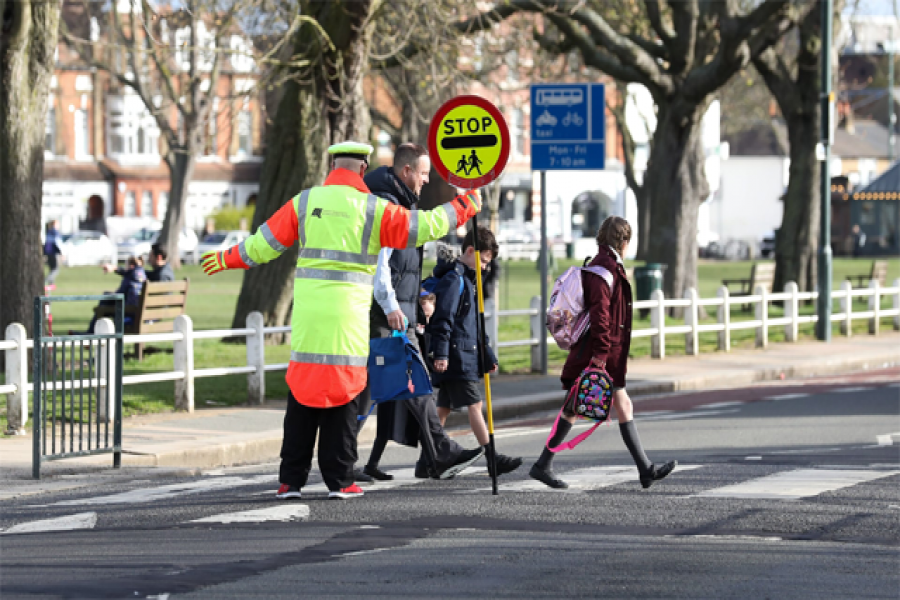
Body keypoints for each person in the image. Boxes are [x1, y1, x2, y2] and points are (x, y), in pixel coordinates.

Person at [200, 141, 482, 500]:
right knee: (344, 396)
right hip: (347, 320)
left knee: (302, 395)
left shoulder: (305, 202)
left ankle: (290, 481)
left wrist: (227, 258)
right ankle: (340, 479)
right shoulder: (373, 209)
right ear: (363, 169)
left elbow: (264, 244)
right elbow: (422, 226)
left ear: (331, 164)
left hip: (308, 319)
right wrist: (464, 206)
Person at [355, 143, 483, 484]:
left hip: (398, 311)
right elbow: (379, 263)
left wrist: (418, 299)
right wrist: (393, 306)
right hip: (388, 314)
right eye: (424, 173)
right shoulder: (386, 204)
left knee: (394, 386)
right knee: (400, 384)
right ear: (407, 171)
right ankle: (437, 454)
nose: (427, 181)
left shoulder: (400, 202)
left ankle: (432, 454)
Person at [529, 216, 677, 490]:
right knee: (575, 407)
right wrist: (601, 354)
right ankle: (543, 464)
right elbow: (601, 317)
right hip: (597, 352)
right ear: (623, 242)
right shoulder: (603, 270)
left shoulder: (605, 266)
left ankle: (644, 469)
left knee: (606, 406)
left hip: (602, 352)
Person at [429, 226, 523, 478]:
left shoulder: (469, 280)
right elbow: (443, 319)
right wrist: (441, 353)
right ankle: (493, 458)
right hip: (457, 356)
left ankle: (427, 459)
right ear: (470, 251)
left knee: (444, 408)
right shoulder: (455, 280)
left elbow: (476, 325)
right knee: (475, 404)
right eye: (483, 260)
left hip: (463, 353)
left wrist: (488, 356)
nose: (484, 267)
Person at [78, 256, 147, 334]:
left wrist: (108, 294)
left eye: (126, 265)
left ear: (131, 265)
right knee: (105, 303)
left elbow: (120, 295)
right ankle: (91, 333)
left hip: (129, 312)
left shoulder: (129, 276)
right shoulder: (142, 275)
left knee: (103, 306)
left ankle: (91, 333)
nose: (125, 268)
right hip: (138, 313)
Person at [103, 244, 173, 282]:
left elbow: (136, 273)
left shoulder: (161, 276)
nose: (149, 259)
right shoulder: (166, 271)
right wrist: (115, 268)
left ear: (159, 257)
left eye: (151, 256)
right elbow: (135, 272)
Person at [43, 220, 64, 291]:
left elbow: (46, 244)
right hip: (54, 253)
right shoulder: (55, 233)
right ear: (55, 225)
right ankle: (44, 281)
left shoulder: (48, 232)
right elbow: (58, 243)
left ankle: (51, 284)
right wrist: (62, 253)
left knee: (51, 269)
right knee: (55, 269)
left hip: (48, 253)